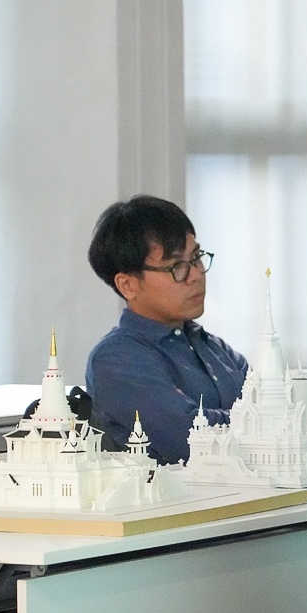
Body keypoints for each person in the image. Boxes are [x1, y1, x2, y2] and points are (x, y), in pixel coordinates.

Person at [85, 195, 247, 463]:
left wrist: (237, 419)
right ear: (128, 285)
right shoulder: (117, 359)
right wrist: (252, 420)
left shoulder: (215, 348)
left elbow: (281, 414)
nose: (196, 275)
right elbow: (190, 440)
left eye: (196, 258)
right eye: (176, 267)